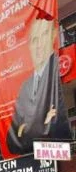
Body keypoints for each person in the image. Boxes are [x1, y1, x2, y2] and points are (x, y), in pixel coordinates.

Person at [8, 17, 73, 155]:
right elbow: (11, 142)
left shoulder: (54, 73)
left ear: (53, 37)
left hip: (62, 158)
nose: (38, 45)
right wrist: (43, 123)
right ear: (29, 46)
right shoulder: (25, 87)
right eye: (34, 40)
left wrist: (25, 130)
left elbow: (59, 130)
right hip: (34, 162)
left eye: (43, 36)